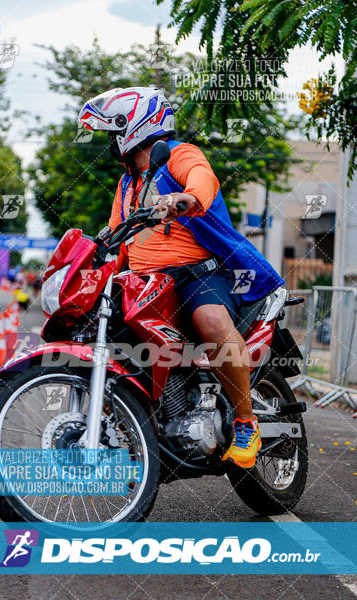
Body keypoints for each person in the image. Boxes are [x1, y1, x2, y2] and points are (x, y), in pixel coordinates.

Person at [78, 87, 285, 469]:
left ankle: (245, 423)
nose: (110, 143)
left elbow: (201, 178)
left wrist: (184, 198)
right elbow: (114, 237)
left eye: (113, 133)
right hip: (144, 286)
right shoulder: (127, 184)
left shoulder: (178, 154)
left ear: (137, 125)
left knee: (210, 320)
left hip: (196, 277)